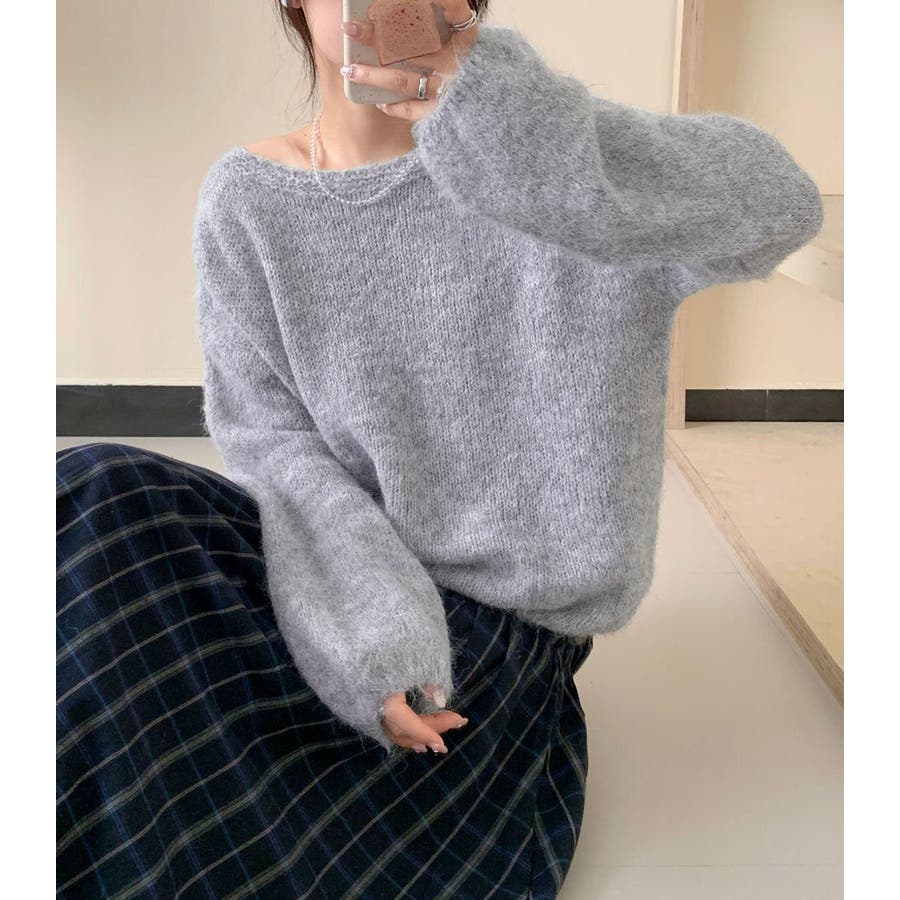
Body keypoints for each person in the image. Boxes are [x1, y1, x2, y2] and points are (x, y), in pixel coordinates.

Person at [57, 1, 823, 897]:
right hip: (335, 579)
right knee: (93, 496)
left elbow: (780, 204)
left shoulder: (556, 167)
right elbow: (271, 441)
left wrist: (510, 122)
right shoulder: (247, 199)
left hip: (488, 636)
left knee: (189, 787)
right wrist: (371, 631)